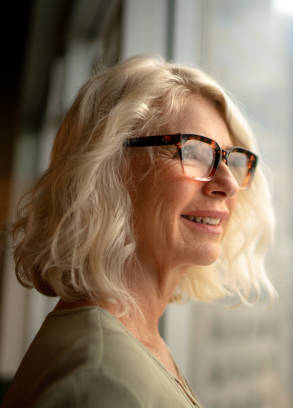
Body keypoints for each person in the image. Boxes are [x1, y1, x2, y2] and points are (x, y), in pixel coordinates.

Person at [2, 55, 276, 407]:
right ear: (107, 170)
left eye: (229, 159)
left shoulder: (134, 341)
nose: (228, 184)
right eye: (193, 152)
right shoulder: (100, 378)